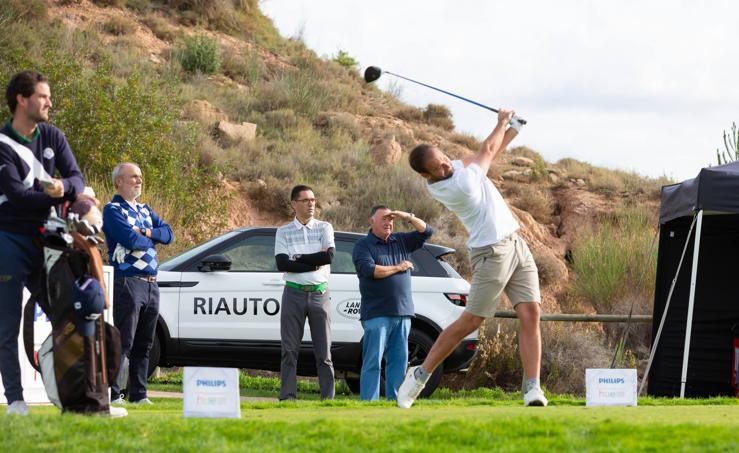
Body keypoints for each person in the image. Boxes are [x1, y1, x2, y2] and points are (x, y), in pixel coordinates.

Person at [398, 109, 548, 408]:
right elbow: (487, 150)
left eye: (444, 159)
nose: (445, 166)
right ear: (427, 176)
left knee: (531, 313)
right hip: (491, 251)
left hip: (517, 244)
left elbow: (487, 154)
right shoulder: (455, 185)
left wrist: (514, 129)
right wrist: (502, 122)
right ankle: (419, 375)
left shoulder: (451, 169)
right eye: (438, 167)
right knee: (470, 320)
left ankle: (532, 388)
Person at [0, 70, 84, 416]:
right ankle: (16, 400)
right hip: (8, 240)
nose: (50, 102)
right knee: (6, 324)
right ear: (22, 99)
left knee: (67, 318)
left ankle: (77, 398)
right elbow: (16, 196)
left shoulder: (53, 135)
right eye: (43, 96)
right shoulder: (2, 144)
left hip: (50, 240)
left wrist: (64, 189)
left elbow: (77, 178)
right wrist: (53, 192)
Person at [103, 163, 173, 405]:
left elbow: (168, 234)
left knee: (145, 343)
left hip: (152, 284)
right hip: (128, 282)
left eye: (140, 177)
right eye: (133, 177)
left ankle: (139, 395)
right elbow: (128, 239)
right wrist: (148, 238)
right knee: (123, 342)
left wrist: (146, 232)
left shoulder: (144, 210)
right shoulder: (112, 210)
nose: (139, 180)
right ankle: (112, 395)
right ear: (118, 182)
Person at [352, 206, 431, 401]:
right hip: (377, 313)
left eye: (390, 220)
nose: (388, 223)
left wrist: (407, 216)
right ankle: (368, 402)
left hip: (402, 312)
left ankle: (396, 401)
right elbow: (372, 271)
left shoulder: (401, 240)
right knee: (372, 361)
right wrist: (399, 267)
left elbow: (426, 231)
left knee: (398, 362)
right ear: (371, 222)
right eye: (383, 220)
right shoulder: (363, 245)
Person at [274, 185, 335, 400]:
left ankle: (328, 399)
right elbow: (282, 263)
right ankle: (288, 397)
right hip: (293, 294)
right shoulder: (283, 232)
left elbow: (328, 257)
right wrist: (312, 262)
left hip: (320, 294)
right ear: (294, 204)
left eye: (313, 200)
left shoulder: (324, 227)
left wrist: (297, 259)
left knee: (324, 353)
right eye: (305, 200)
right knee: (289, 350)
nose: (311, 204)